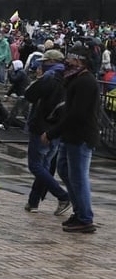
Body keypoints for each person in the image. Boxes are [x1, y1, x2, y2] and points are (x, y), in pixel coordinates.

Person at [43, 43, 100, 233]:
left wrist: (52, 133)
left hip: (80, 136)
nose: (67, 62)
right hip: (71, 135)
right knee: (64, 169)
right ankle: (79, 211)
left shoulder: (86, 82)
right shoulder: (76, 79)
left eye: (70, 59)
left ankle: (85, 217)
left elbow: (76, 114)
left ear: (79, 60)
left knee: (78, 177)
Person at [22, 49, 70, 214]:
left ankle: (62, 195)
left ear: (50, 62)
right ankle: (33, 201)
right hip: (57, 128)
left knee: (36, 165)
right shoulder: (69, 77)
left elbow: (29, 94)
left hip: (42, 125)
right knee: (44, 167)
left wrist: (39, 78)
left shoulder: (50, 77)